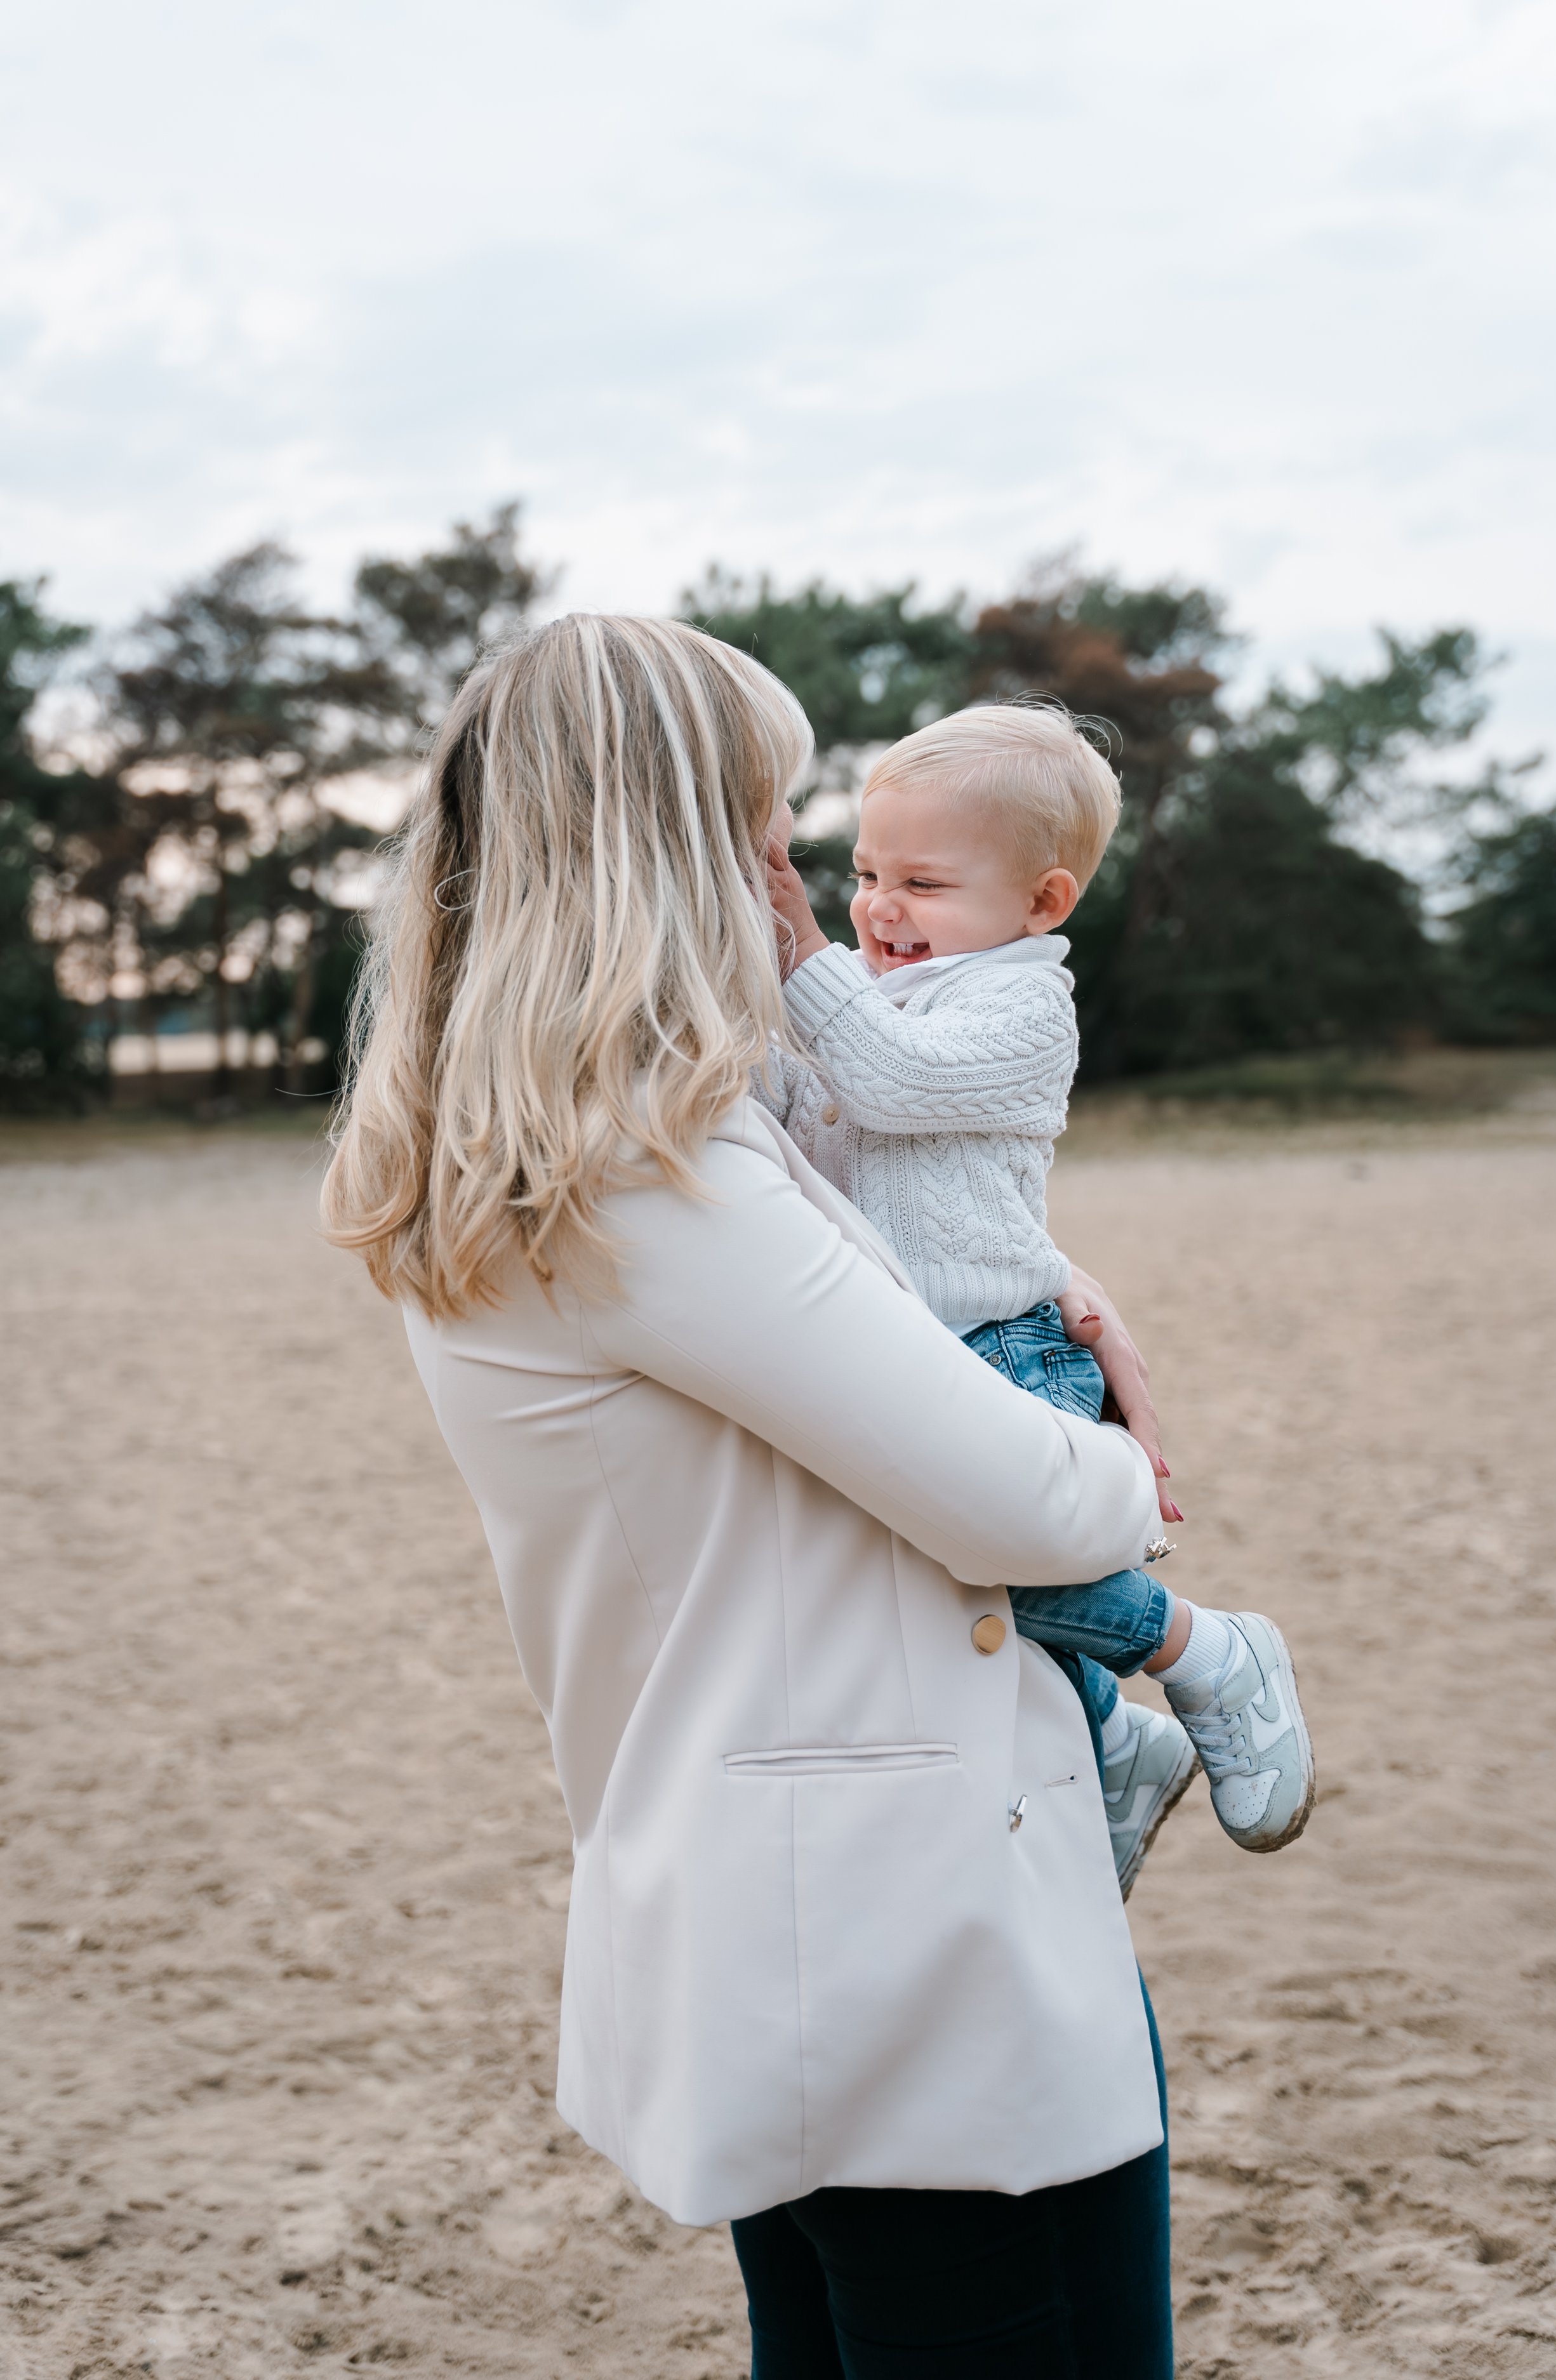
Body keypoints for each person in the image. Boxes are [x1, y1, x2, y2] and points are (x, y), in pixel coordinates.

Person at [323, 616, 1176, 2374]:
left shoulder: (534, 1145)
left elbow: (884, 1269)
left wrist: (1063, 1288)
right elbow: (1027, 1502)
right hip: (898, 1936)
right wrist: (1122, 1451)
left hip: (794, 1905)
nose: (788, 874)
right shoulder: (651, 1174)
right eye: (760, 823)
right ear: (663, 852)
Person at [759, 703, 1315, 1891]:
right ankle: (1117, 1744)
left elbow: (893, 1084)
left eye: (920, 880)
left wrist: (800, 955)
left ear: (1042, 903)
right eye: (862, 874)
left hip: (1003, 1340)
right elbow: (814, 1109)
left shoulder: (1022, 1008)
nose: (875, 906)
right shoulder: (875, 991)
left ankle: (1206, 1648)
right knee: (948, 1580)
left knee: (985, 1554)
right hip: (915, 1337)